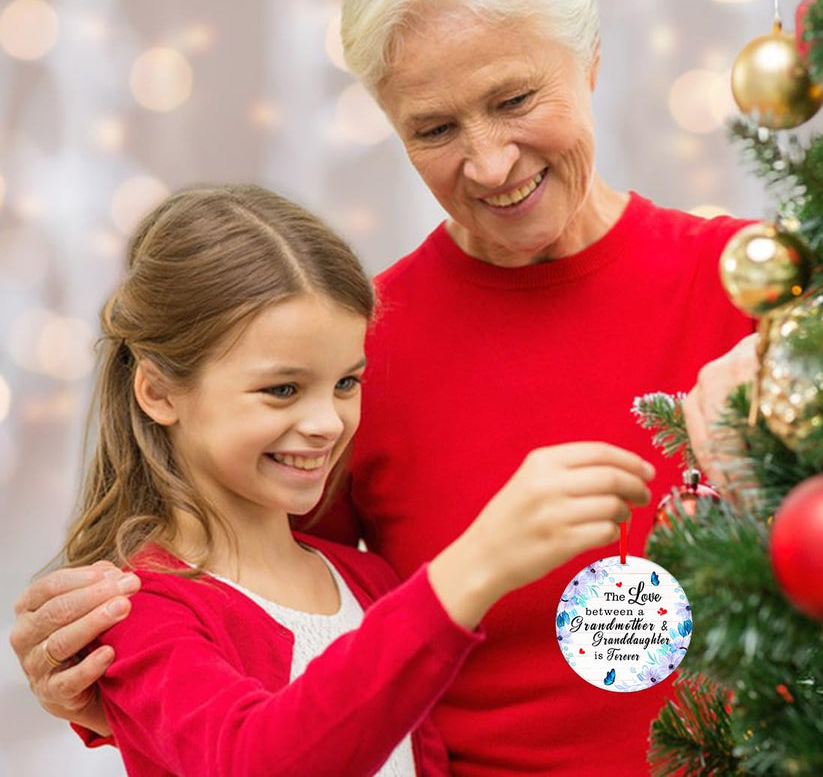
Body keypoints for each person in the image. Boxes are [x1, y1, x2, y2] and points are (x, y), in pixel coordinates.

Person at [11, 0, 758, 773]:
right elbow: (275, 623)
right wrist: (98, 678)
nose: (487, 163)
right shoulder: (355, 357)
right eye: (434, 129)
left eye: (515, 100)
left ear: (589, 59)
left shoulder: (758, 286)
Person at [52, 184, 654, 776]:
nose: (325, 423)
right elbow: (256, 760)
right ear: (159, 392)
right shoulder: (138, 612)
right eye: (282, 389)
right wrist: (473, 568)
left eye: (346, 384)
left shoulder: (369, 581)